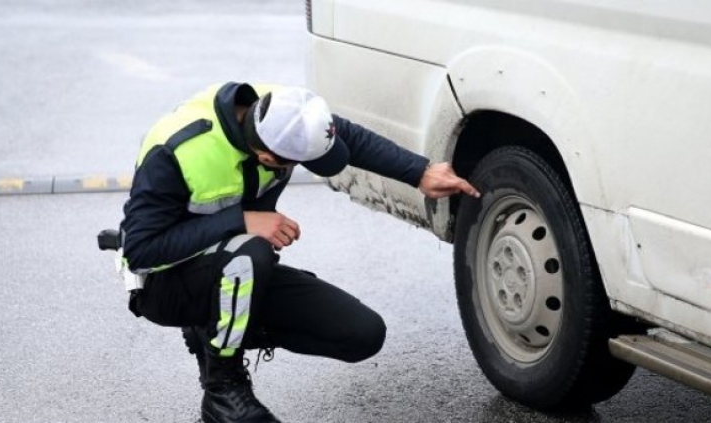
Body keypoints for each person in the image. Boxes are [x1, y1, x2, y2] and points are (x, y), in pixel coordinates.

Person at [119, 82, 480, 423]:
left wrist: (420, 172)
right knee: (252, 250)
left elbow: (344, 135)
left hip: (238, 270)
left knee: (362, 334)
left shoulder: (280, 111)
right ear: (267, 156)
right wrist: (242, 219)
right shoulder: (179, 151)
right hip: (167, 284)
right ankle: (223, 390)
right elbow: (141, 251)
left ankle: (216, 324)